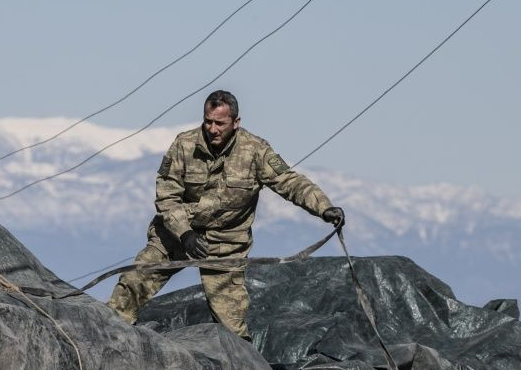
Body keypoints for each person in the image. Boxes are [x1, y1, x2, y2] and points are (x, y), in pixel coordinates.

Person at [107, 90, 344, 339]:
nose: (212, 128)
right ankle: (108, 342)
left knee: (233, 330)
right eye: (207, 121)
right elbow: (166, 195)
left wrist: (324, 208)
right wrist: (184, 232)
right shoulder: (184, 145)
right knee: (132, 284)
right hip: (176, 235)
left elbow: (290, 182)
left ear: (236, 123)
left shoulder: (255, 151)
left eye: (219, 123)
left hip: (225, 246)